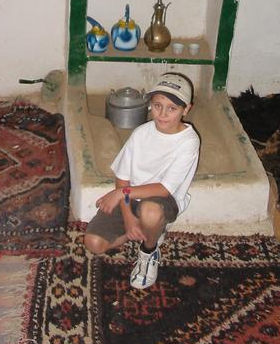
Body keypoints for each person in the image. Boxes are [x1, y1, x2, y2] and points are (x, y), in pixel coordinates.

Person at [84, 72, 200, 290]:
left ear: (186, 109)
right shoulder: (141, 133)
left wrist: (122, 194)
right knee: (94, 243)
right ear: (149, 105)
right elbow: (122, 177)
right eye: (158, 105)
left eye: (172, 108)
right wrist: (128, 216)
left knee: (150, 212)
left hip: (161, 199)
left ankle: (148, 251)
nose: (163, 114)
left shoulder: (188, 142)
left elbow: (164, 189)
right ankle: (145, 230)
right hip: (131, 196)